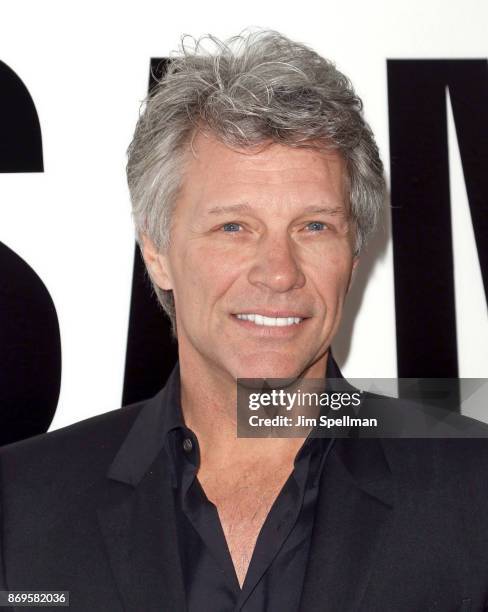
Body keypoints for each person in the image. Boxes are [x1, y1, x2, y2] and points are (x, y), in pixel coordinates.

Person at [1, 30, 488, 612]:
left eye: (315, 226)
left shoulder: (474, 489)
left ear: (354, 255)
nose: (279, 273)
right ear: (157, 251)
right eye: (234, 227)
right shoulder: (20, 503)